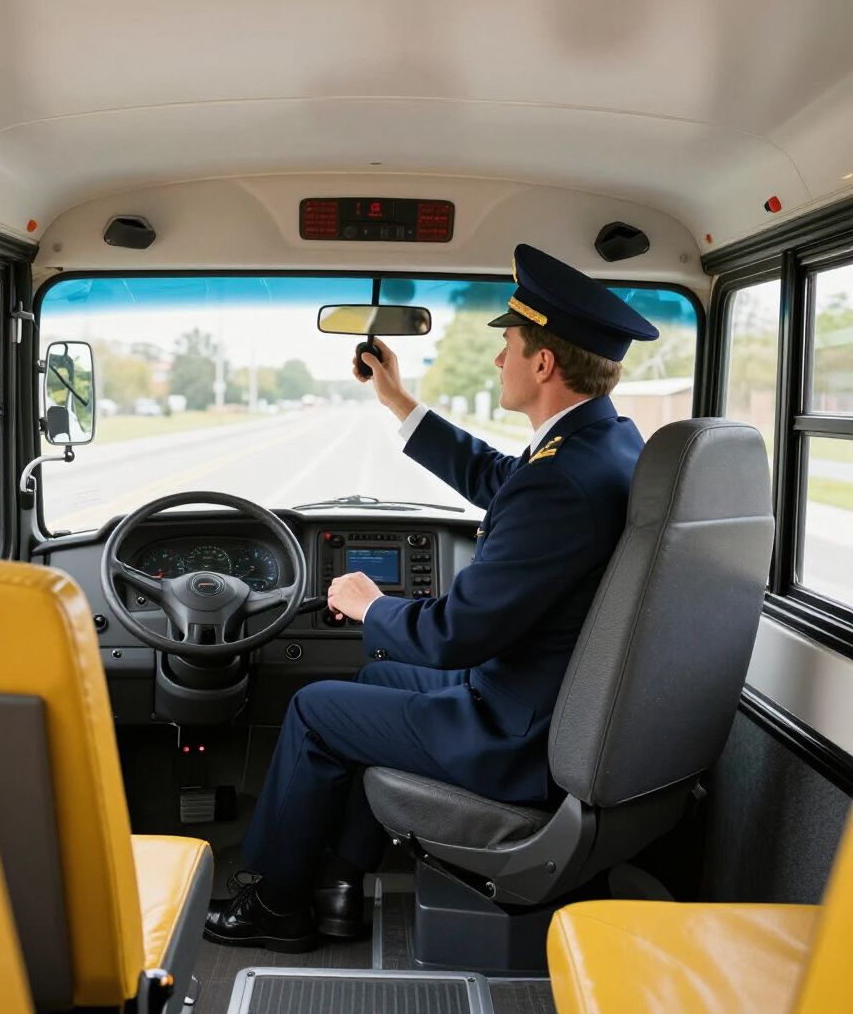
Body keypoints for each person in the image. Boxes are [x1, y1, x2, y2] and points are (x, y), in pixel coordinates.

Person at [204, 243, 660, 952]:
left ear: (543, 363)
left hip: (517, 737)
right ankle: (339, 888)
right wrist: (397, 401)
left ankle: (277, 903)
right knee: (380, 675)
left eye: (508, 346)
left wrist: (368, 604)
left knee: (314, 708)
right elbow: (499, 478)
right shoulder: (602, 444)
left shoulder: (562, 481)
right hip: (543, 703)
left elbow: (456, 634)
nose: (499, 360)